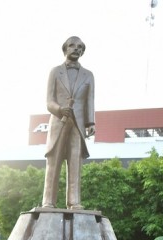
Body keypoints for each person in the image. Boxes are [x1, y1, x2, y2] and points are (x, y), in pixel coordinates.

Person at [42, 36, 95, 209]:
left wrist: (90, 122)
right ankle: (48, 201)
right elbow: (49, 101)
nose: (76, 49)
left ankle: (74, 201)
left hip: (78, 124)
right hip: (59, 121)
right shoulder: (55, 72)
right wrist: (59, 109)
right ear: (65, 49)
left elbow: (90, 100)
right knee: (54, 160)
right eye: (72, 45)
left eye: (80, 47)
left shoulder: (88, 75)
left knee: (75, 162)